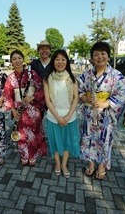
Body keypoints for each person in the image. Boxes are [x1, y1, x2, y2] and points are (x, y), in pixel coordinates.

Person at [78, 42, 125, 180]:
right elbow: (79, 90)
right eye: (96, 54)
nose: (100, 57)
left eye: (103, 54)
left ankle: (101, 166)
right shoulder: (86, 74)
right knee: (88, 138)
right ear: (91, 57)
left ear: (108, 56)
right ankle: (90, 163)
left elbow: (123, 93)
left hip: (106, 115)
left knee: (104, 140)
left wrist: (106, 102)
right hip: (89, 113)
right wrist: (84, 98)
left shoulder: (116, 75)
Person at [3, 50, 47, 166]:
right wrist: (13, 110)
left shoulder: (32, 73)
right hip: (19, 108)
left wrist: (32, 97)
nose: (17, 61)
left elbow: (42, 88)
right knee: (21, 133)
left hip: (32, 107)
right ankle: (24, 155)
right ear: (11, 62)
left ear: (23, 60)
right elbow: (8, 95)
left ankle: (32, 155)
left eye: (19, 58)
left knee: (33, 132)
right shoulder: (10, 77)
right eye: (14, 59)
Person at [43, 49, 79, 178]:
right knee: (55, 142)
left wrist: (68, 115)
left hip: (70, 117)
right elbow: (47, 100)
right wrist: (58, 117)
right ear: (53, 62)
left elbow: (76, 98)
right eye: (57, 59)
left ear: (67, 62)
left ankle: (64, 164)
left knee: (68, 142)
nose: (60, 62)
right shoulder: (47, 79)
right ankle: (58, 163)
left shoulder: (72, 79)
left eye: (63, 59)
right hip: (53, 117)